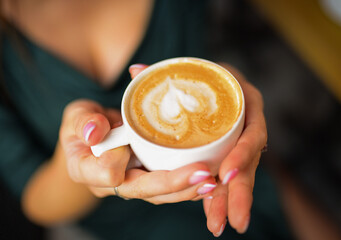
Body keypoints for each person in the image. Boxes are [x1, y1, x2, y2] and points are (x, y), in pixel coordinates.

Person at [0, 0, 279, 239]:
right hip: (132, 223)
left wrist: (229, 81)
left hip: (221, 169)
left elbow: (202, 64)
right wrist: (79, 162)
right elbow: (34, 197)